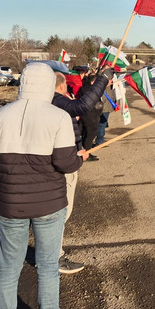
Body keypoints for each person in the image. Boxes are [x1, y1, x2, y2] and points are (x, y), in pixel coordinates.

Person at [0, 62, 85, 309]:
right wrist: (80, 159)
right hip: (50, 205)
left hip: (11, 205)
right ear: (48, 86)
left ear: (23, 83)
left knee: (9, 266)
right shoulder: (59, 116)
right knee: (49, 266)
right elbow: (66, 164)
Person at [51, 68, 112, 274]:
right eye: (65, 87)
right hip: (64, 165)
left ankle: (48, 253)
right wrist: (103, 79)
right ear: (60, 86)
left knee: (52, 214)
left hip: (53, 162)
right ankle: (55, 257)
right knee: (60, 213)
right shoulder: (56, 101)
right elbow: (83, 105)